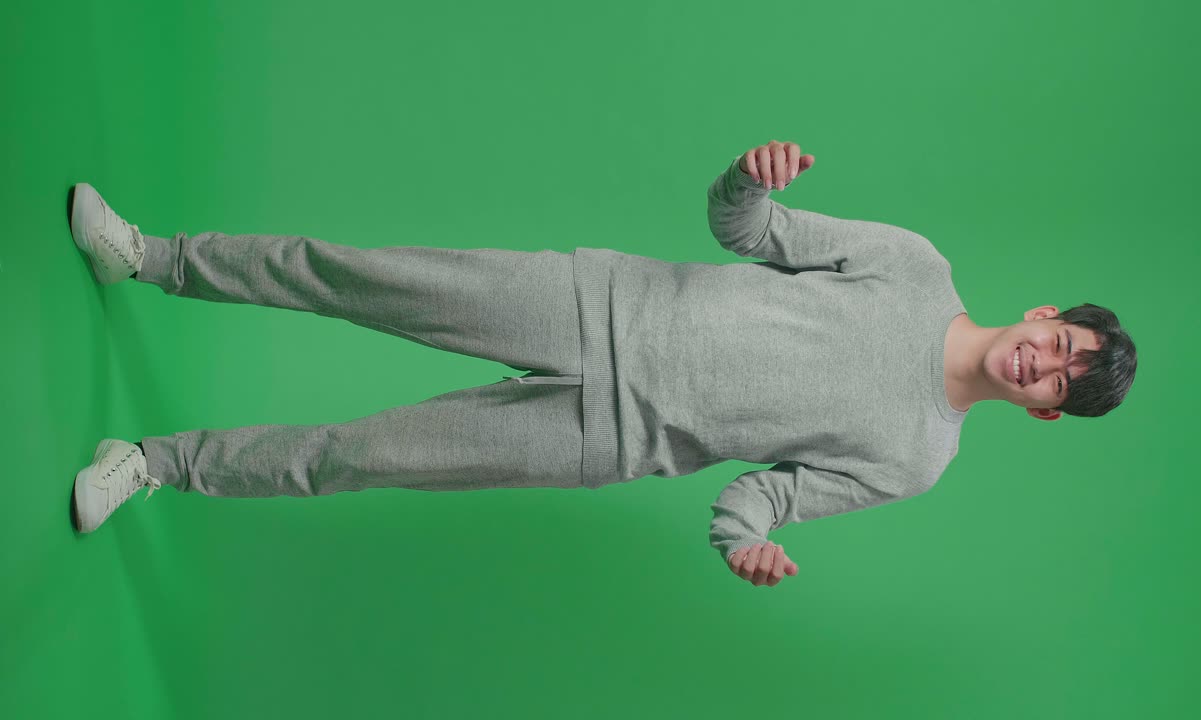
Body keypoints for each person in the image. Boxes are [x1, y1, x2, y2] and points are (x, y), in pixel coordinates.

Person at [67, 140, 1138, 588]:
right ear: (1045, 314)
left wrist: (748, 546)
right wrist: (748, 176)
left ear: (1042, 410)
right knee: (352, 275)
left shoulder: (918, 461)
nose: (1041, 361)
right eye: (1059, 343)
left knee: (356, 457)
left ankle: (156, 464)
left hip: (599, 441)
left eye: (1056, 380)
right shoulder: (914, 266)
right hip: (590, 307)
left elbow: (754, 497)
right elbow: (742, 228)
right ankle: (150, 258)